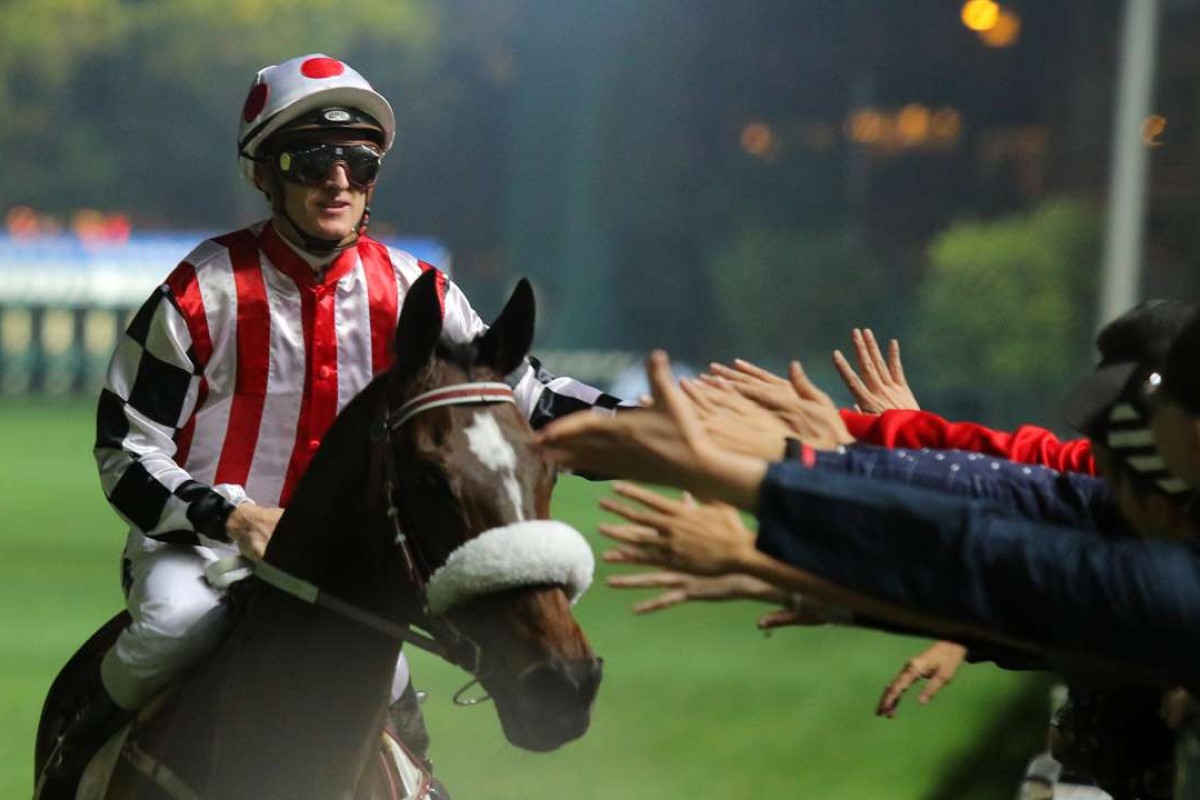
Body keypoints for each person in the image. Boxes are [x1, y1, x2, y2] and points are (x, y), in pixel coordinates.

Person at [53, 53, 624, 787]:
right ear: (265, 173)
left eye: (358, 161)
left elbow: (531, 398)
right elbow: (126, 450)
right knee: (168, 629)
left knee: (389, 685)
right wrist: (233, 519)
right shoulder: (202, 290)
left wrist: (662, 426)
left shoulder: (419, 289)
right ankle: (75, 766)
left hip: (349, 568)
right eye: (310, 158)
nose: (338, 180)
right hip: (204, 554)